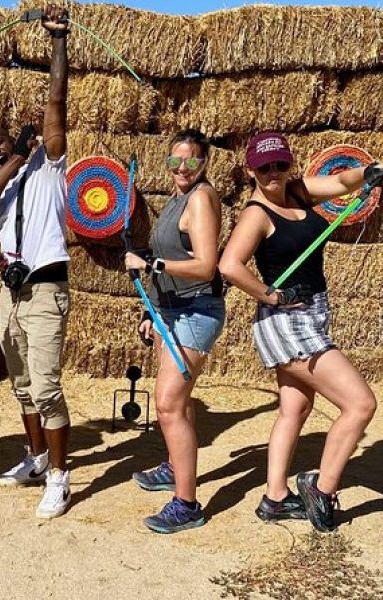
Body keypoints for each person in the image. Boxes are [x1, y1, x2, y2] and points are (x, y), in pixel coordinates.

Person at [218, 132, 383, 532]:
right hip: (286, 322)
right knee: (361, 404)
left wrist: (370, 172)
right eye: (264, 167)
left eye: (280, 164)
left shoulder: (298, 192)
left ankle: (275, 498)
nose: (273, 173)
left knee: (294, 409)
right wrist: (271, 295)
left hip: (312, 313)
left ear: (289, 164)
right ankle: (322, 488)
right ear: (251, 171)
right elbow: (229, 266)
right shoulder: (255, 214)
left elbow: (343, 182)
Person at [0, 7, 71, 519]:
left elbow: (57, 101)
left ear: (16, 137)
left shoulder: (48, 164)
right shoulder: (4, 186)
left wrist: (58, 43)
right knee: (22, 384)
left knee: (48, 385)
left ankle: (59, 475)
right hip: (11, 294)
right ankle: (34, 459)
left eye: (1, 143)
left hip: (46, 289)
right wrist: (13, 159)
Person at [124, 129, 225, 534]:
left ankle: (187, 504)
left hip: (196, 311)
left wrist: (153, 268)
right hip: (171, 310)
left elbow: (204, 266)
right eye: (174, 161)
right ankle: (174, 467)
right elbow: (165, 255)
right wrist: (152, 308)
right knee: (178, 404)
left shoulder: (201, 198)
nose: (182, 168)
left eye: (191, 161)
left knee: (167, 405)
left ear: (204, 163)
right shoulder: (176, 199)